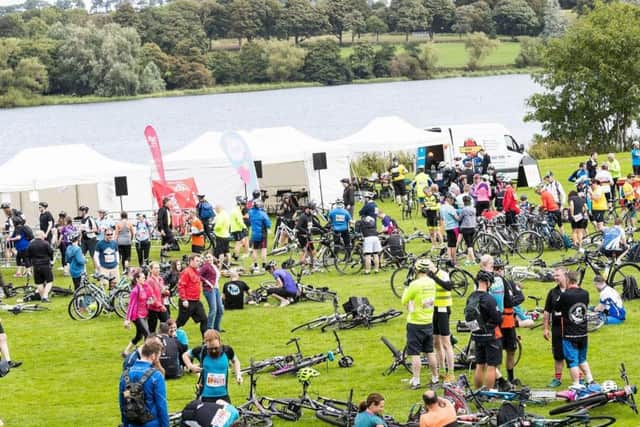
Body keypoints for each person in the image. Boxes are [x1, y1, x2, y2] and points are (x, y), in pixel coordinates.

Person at [400, 258, 439, 389]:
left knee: (415, 353)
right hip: (428, 321)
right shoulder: (432, 283)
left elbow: (404, 300)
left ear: (416, 270)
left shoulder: (415, 285)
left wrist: (406, 289)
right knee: (430, 351)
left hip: (415, 322)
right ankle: (435, 377)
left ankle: (416, 380)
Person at [118, 339, 169, 427]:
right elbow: (161, 405)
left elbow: (123, 402)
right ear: (153, 356)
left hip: (132, 423)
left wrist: (125, 424)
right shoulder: (156, 376)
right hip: (152, 423)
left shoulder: (125, 374)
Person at [182, 329, 243, 403]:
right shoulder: (201, 351)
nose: (213, 350)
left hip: (223, 395)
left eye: (216, 348)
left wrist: (238, 375)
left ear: (220, 342)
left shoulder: (227, 350)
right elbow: (185, 355)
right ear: (205, 344)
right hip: (205, 396)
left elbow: (235, 361)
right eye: (210, 349)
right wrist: (190, 366)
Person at [466, 269, 502, 389]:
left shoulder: (471, 297)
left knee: (480, 365)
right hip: (490, 336)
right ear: (488, 283)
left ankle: (478, 392)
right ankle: (488, 393)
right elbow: (497, 318)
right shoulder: (489, 299)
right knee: (492, 366)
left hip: (476, 335)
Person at [558, 271, 595, 388]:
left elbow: (557, 307)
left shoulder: (565, 295)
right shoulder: (585, 293)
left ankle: (576, 384)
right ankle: (590, 380)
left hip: (569, 334)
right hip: (583, 333)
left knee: (572, 361)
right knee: (582, 359)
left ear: (568, 280)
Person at [491, 258, 521, 386]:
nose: (499, 271)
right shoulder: (491, 284)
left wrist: (508, 302)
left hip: (509, 322)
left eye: (501, 268)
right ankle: (497, 379)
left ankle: (510, 377)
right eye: (496, 269)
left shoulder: (510, 283)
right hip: (497, 322)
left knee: (511, 350)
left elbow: (521, 297)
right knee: (497, 352)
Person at [543, 267, 568, 387]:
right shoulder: (552, 292)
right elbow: (547, 311)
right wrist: (546, 328)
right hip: (557, 328)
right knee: (558, 354)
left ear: (565, 275)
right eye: (555, 275)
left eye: (558, 275)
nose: (555, 278)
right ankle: (557, 379)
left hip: (571, 328)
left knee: (574, 353)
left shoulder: (573, 290)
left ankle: (580, 377)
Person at [177, 254, 208, 337]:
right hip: (188, 301)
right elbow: (181, 286)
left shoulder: (196, 271)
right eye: (197, 261)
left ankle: (205, 341)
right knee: (180, 322)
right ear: (191, 261)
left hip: (196, 301)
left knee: (204, 319)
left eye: (199, 261)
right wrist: (184, 299)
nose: (199, 263)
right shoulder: (186, 272)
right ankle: (167, 335)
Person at [123, 270, 151, 358]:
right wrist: (127, 320)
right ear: (137, 279)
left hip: (144, 314)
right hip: (137, 316)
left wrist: (149, 301)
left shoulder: (144, 288)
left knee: (139, 336)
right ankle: (145, 354)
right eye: (143, 278)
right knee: (147, 334)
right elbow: (131, 305)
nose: (144, 279)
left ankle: (126, 351)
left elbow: (147, 298)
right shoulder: (135, 291)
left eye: (144, 277)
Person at [26, 230, 54, 302]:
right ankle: (45, 296)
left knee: (39, 283)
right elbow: (50, 252)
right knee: (49, 281)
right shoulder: (45, 243)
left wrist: (29, 267)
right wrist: (51, 259)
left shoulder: (31, 244)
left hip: (36, 265)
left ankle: (42, 297)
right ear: (41, 235)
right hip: (45, 264)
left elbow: (27, 256)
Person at [200, 253, 224, 332]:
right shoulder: (205, 266)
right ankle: (209, 328)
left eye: (209, 257)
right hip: (209, 289)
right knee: (213, 309)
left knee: (220, 309)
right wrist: (207, 282)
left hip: (216, 288)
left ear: (213, 257)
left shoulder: (214, 266)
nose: (208, 258)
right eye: (206, 257)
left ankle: (216, 327)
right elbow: (199, 275)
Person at [295, 202, 321, 268]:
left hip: (307, 236)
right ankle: (303, 265)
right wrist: (306, 232)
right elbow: (298, 226)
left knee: (312, 251)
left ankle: (311, 266)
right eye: (313, 210)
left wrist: (323, 229)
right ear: (308, 209)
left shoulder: (310, 216)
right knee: (306, 251)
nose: (314, 211)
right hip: (302, 236)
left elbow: (316, 224)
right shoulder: (303, 217)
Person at [248, 200, 271, 272]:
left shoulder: (250, 212)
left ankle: (256, 265)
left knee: (254, 250)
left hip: (254, 234)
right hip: (263, 233)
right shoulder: (263, 214)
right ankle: (264, 266)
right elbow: (268, 224)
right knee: (263, 249)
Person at [146, 262, 169, 333]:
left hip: (160, 306)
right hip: (152, 308)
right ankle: (149, 342)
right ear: (150, 270)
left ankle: (164, 339)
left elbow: (161, 293)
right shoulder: (149, 281)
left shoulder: (160, 279)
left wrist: (166, 293)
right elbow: (151, 296)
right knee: (152, 329)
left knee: (167, 323)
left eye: (158, 268)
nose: (158, 270)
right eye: (155, 268)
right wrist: (160, 305)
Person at [440, 194, 460, 266]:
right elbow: (456, 218)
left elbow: (441, 218)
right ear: (448, 199)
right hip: (454, 227)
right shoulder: (450, 208)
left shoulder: (442, 207)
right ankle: (454, 261)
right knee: (454, 245)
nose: (453, 201)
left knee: (449, 245)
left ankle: (449, 259)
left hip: (447, 227)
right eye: (452, 200)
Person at [230, 196, 249, 262]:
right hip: (237, 229)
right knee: (239, 243)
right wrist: (245, 227)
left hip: (235, 228)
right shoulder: (237, 211)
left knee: (241, 242)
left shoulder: (234, 209)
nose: (243, 207)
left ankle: (234, 254)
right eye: (243, 205)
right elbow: (240, 221)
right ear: (240, 205)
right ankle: (236, 257)